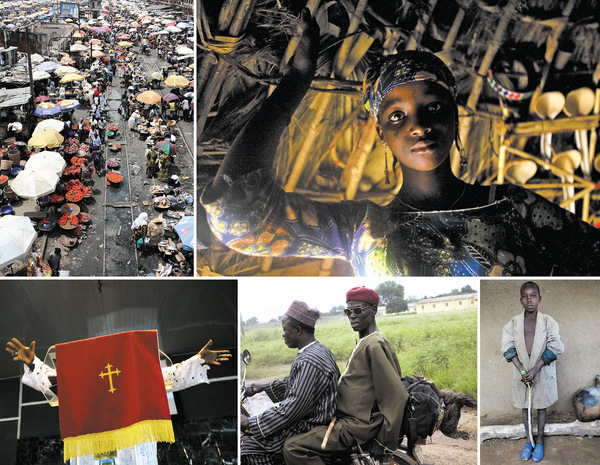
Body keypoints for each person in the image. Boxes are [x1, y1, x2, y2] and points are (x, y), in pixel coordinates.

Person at [200, 10, 600, 277]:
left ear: (455, 115)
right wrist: (297, 79)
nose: (418, 126)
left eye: (433, 107)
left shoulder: (516, 207)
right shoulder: (362, 226)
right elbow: (237, 218)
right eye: (397, 116)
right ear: (381, 133)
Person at [5, 337, 231, 465]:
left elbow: (168, 378)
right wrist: (33, 362)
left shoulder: (133, 381)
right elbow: (50, 382)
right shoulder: (82, 386)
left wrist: (197, 362)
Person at [283, 286, 408, 465]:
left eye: (357, 310)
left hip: (355, 425)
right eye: (348, 311)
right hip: (346, 419)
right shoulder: (365, 341)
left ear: (373, 310)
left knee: (293, 448)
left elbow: (394, 395)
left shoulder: (374, 344)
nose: (352, 315)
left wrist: (385, 441)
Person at [241, 301, 339, 465]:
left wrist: (250, 422)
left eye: (285, 330)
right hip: (314, 420)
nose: (283, 334)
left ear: (298, 330)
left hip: (309, 426)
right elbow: (294, 383)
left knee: (247, 448)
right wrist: (262, 387)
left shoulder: (309, 360)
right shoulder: (319, 350)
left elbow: (294, 407)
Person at [501, 282, 564, 463]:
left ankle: (540, 441)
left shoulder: (548, 321)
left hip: (541, 370)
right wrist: (522, 370)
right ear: (520, 300)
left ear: (539, 299)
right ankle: (529, 441)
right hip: (522, 372)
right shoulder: (513, 323)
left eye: (533, 296)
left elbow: (556, 346)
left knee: (541, 407)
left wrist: (535, 369)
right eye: (525, 296)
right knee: (525, 406)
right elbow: (507, 346)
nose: (529, 300)